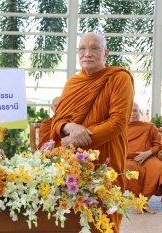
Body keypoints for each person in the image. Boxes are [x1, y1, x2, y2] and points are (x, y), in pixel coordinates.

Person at [50, 32, 134, 232]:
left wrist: (78, 139)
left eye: (94, 48)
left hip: (107, 154)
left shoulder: (119, 78)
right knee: (73, 213)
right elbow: (58, 121)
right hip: (74, 161)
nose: (87, 53)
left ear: (106, 53)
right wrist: (68, 128)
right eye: (82, 49)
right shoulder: (72, 83)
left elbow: (117, 123)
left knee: (106, 215)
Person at [123, 102, 162, 214]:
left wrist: (147, 153)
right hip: (129, 158)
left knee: (159, 169)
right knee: (128, 169)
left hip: (148, 157)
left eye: (135, 110)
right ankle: (137, 204)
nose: (132, 113)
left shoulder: (149, 127)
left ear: (139, 112)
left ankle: (144, 203)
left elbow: (158, 145)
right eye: (130, 111)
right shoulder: (120, 128)